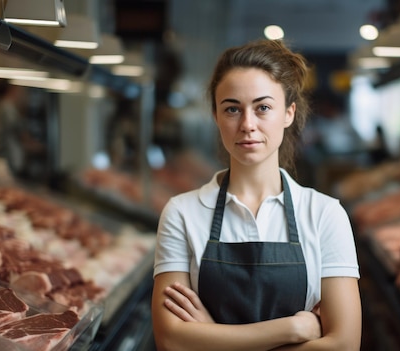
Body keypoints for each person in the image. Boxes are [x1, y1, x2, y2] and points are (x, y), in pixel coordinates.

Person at [151, 39, 361, 351]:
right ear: (216, 116)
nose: (247, 125)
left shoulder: (324, 214)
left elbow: (344, 345)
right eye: (232, 109)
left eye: (263, 108)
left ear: (288, 113)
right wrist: (292, 328)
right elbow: (170, 340)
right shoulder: (182, 212)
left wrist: (210, 336)